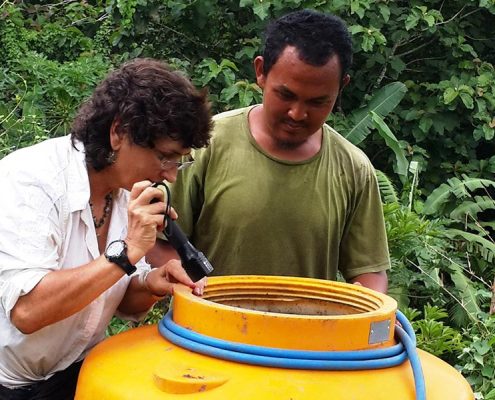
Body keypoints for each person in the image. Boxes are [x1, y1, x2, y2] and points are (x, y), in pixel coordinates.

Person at [0, 58, 212, 398]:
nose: (171, 174)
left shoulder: (126, 193)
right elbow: (28, 311)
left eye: (179, 161)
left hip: (80, 372)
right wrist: (126, 252)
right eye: (165, 157)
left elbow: (118, 299)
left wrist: (151, 284)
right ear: (118, 133)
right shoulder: (29, 181)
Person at [150, 9, 390, 293]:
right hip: (206, 334)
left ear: (342, 87)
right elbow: (160, 243)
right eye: (286, 95)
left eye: (317, 102)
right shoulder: (205, 146)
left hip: (307, 334)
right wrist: (186, 285)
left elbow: (369, 273)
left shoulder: (354, 169)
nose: (297, 114)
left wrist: (365, 314)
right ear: (261, 71)